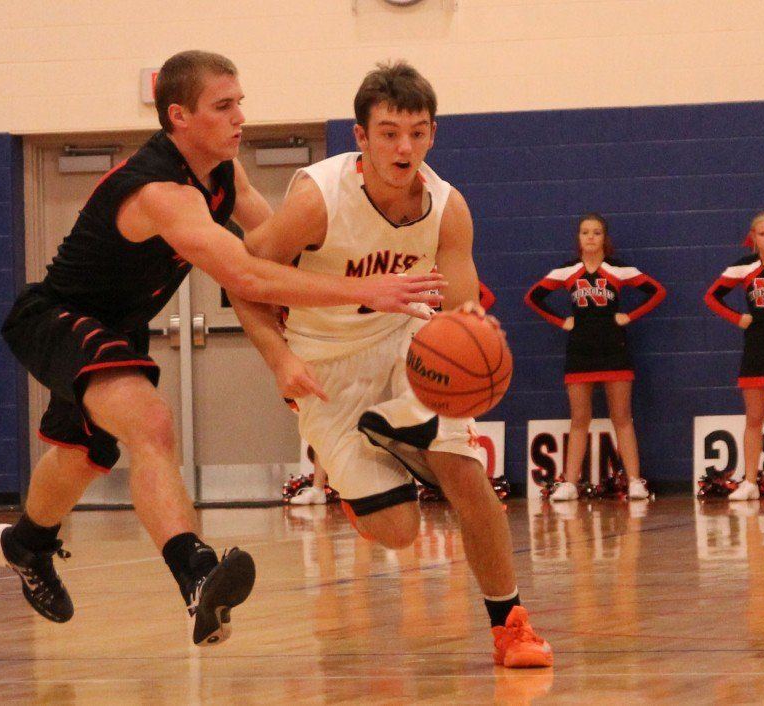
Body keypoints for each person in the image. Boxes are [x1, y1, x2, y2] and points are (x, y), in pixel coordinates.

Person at [0, 50, 446, 645]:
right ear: (179, 116)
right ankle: (197, 574)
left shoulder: (226, 175)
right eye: (224, 106)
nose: (240, 117)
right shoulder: (162, 192)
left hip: (118, 325)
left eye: (240, 103)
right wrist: (369, 289)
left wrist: (365, 255)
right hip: (58, 316)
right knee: (150, 424)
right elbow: (249, 280)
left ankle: (27, 544)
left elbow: (273, 247)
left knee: (82, 455)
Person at [230, 61, 553, 668]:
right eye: (389, 132)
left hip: (408, 343)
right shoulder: (317, 200)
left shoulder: (447, 208)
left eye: (418, 131)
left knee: (464, 471)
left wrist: (475, 336)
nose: (404, 146)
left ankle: (511, 625)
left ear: (432, 134)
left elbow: (459, 306)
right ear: (361, 136)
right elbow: (244, 280)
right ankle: (376, 458)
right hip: (325, 364)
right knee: (399, 531)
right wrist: (278, 359)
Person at [525, 214, 665, 502]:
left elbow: (657, 291)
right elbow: (532, 297)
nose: (590, 237)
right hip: (580, 351)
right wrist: (561, 321)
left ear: (605, 238)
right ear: (578, 238)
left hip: (614, 348)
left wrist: (630, 316)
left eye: (596, 232)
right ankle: (569, 484)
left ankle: (636, 481)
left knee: (622, 417)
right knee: (579, 419)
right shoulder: (567, 271)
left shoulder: (618, 270)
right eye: (585, 232)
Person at [704, 211, 764, 501]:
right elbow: (712, 297)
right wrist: (736, 317)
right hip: (757, 348)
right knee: (754, 417)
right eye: (762, 234)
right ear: (753, 237)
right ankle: (750, 482)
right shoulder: (743, 267)